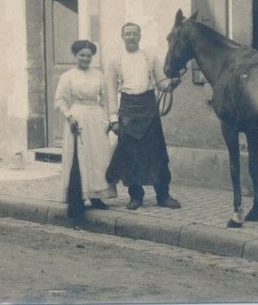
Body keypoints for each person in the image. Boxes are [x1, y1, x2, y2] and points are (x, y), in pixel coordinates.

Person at [105, 22, 182, 210]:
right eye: (127, 34)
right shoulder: (114, 60)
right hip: (128, 110)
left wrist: (171, 83)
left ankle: (163, 196)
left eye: (134, 34)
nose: (131, 37)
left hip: (149, 109)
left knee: (157, 154)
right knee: (131, 156)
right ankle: (136, 197)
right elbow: (110, 91)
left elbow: (161, 82)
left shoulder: (150, 57)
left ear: (140, 36)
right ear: (122, 37)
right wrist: (113, 119)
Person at [54, 40, 115, 225]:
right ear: (75, 56)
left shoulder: (99, 75)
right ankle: (78, 198)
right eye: (82, 55)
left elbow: (105, 100)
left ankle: (96, 196)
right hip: (77, 118)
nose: (85, 58)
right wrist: (69, 116)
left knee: (98, 157)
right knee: (79, 158)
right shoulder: (68, 76)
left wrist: (107, 120)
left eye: (88, 56)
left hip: (96, 118)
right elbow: (60, 101)